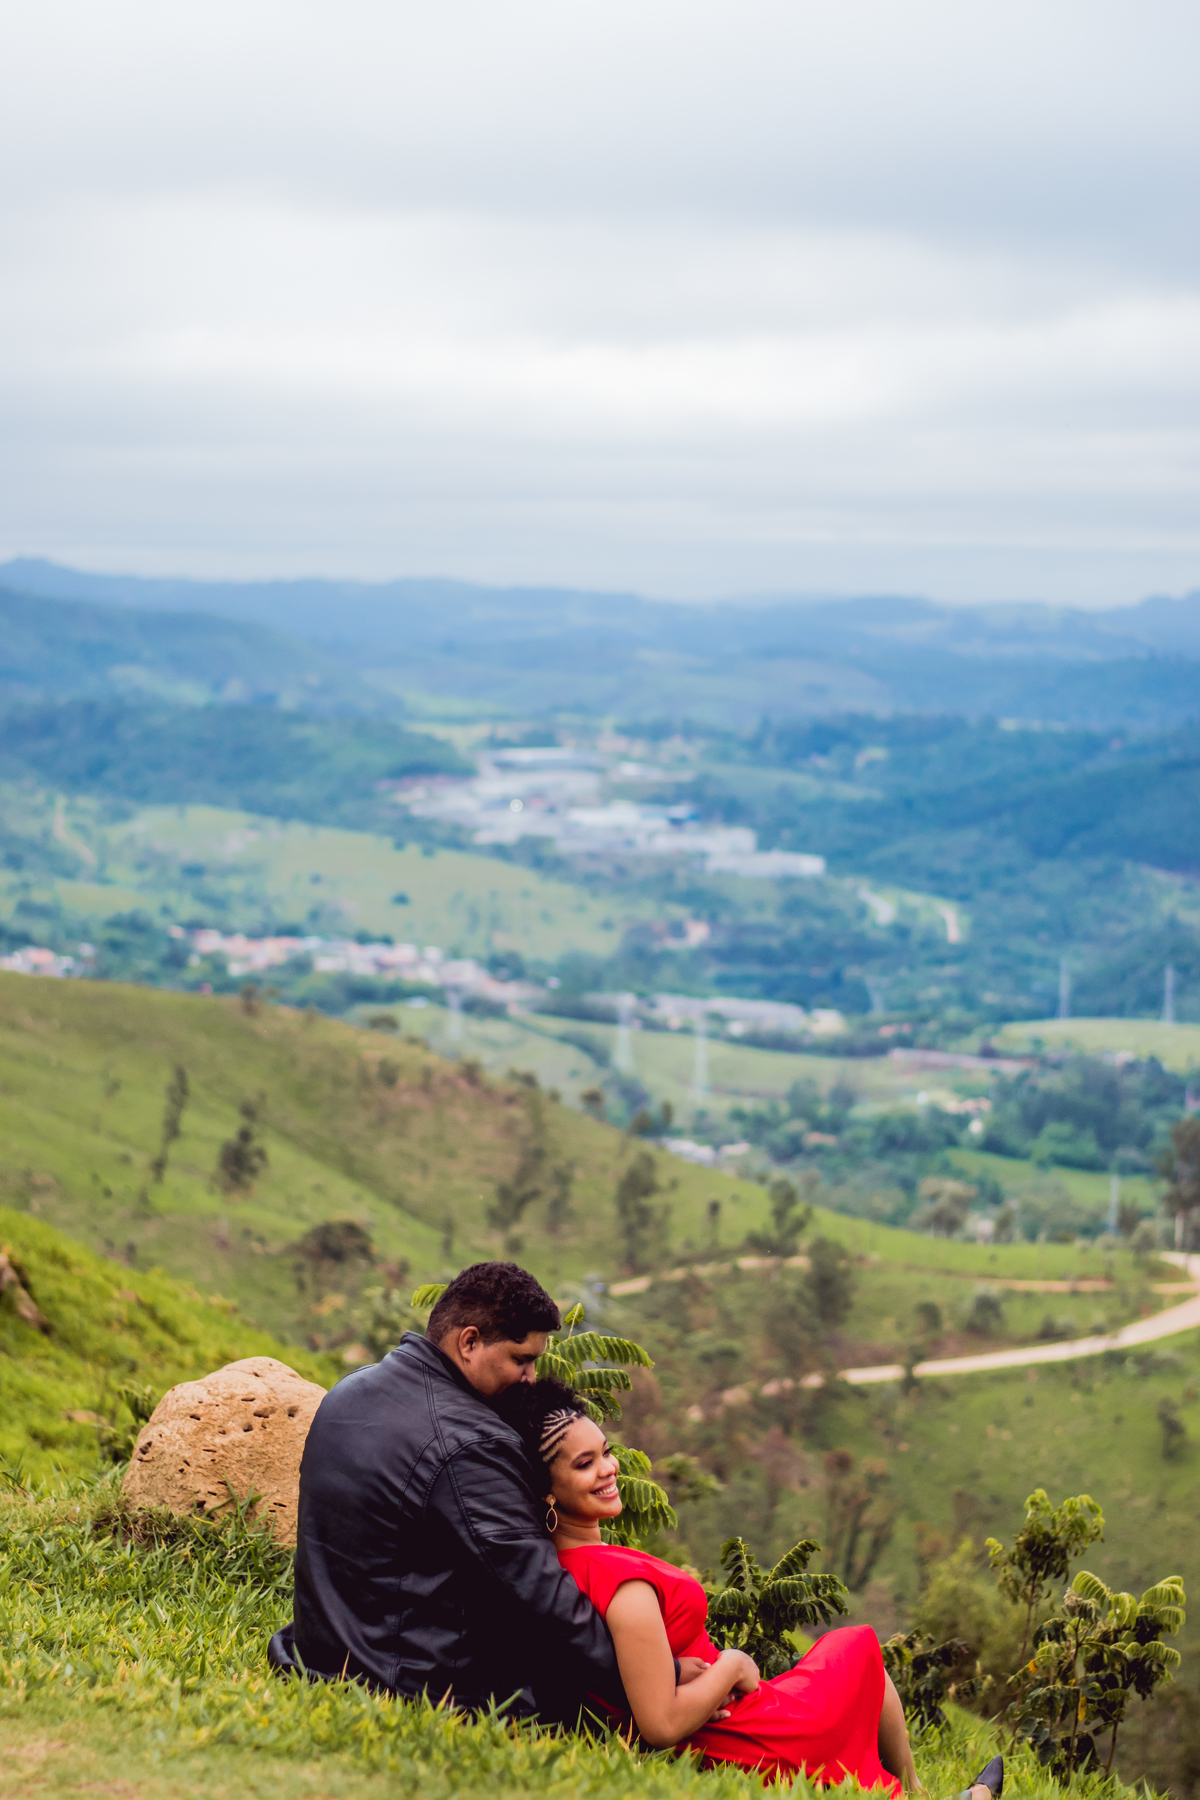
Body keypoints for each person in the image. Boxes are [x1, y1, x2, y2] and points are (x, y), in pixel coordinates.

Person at [507, 1378, 1004, 1798]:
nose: (609, 1469)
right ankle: (917, 1792)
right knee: (856, 1647)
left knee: (848, 1652)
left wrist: (687, 1669)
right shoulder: (622, 1586)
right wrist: (733, 1664)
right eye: (584, 1463)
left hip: (728, 1716)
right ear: (548, 1490)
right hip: (739, 1734)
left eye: (606, 1453)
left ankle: (920, 1792)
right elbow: (659, 1723)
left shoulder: (568, 1567)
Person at [269, 1263, 631, 1721]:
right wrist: (655, 1680)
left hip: (319, 1660)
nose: (531, 1378)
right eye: (521, 1359)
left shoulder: (350, 1390)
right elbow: (541, 1596)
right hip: (410, 1690)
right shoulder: (472, 1441)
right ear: (470, 1341)